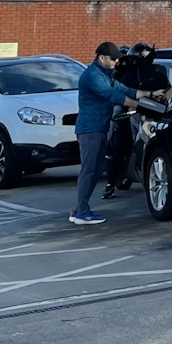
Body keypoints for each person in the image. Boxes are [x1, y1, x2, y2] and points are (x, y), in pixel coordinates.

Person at [72, 41, 149, 226]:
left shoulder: (105, 74)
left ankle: (79, 209)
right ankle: (82, 211)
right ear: (102, 58)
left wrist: (150, 94)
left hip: (99, 127)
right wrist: (140, 105)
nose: (116, 62)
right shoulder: (92, 76)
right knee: (89, 169)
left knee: (97, 168)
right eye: (113, 59)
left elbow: (123, 89)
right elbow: (112, 95)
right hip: (90, 129)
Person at [102, 43, 169, 200]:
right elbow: (120, 92)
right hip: (132, 112)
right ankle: (110, 184)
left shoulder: (158, 71)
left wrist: (162, 97)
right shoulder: (127, 74)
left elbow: (167, 90)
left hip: (154, 112)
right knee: (120, 145)